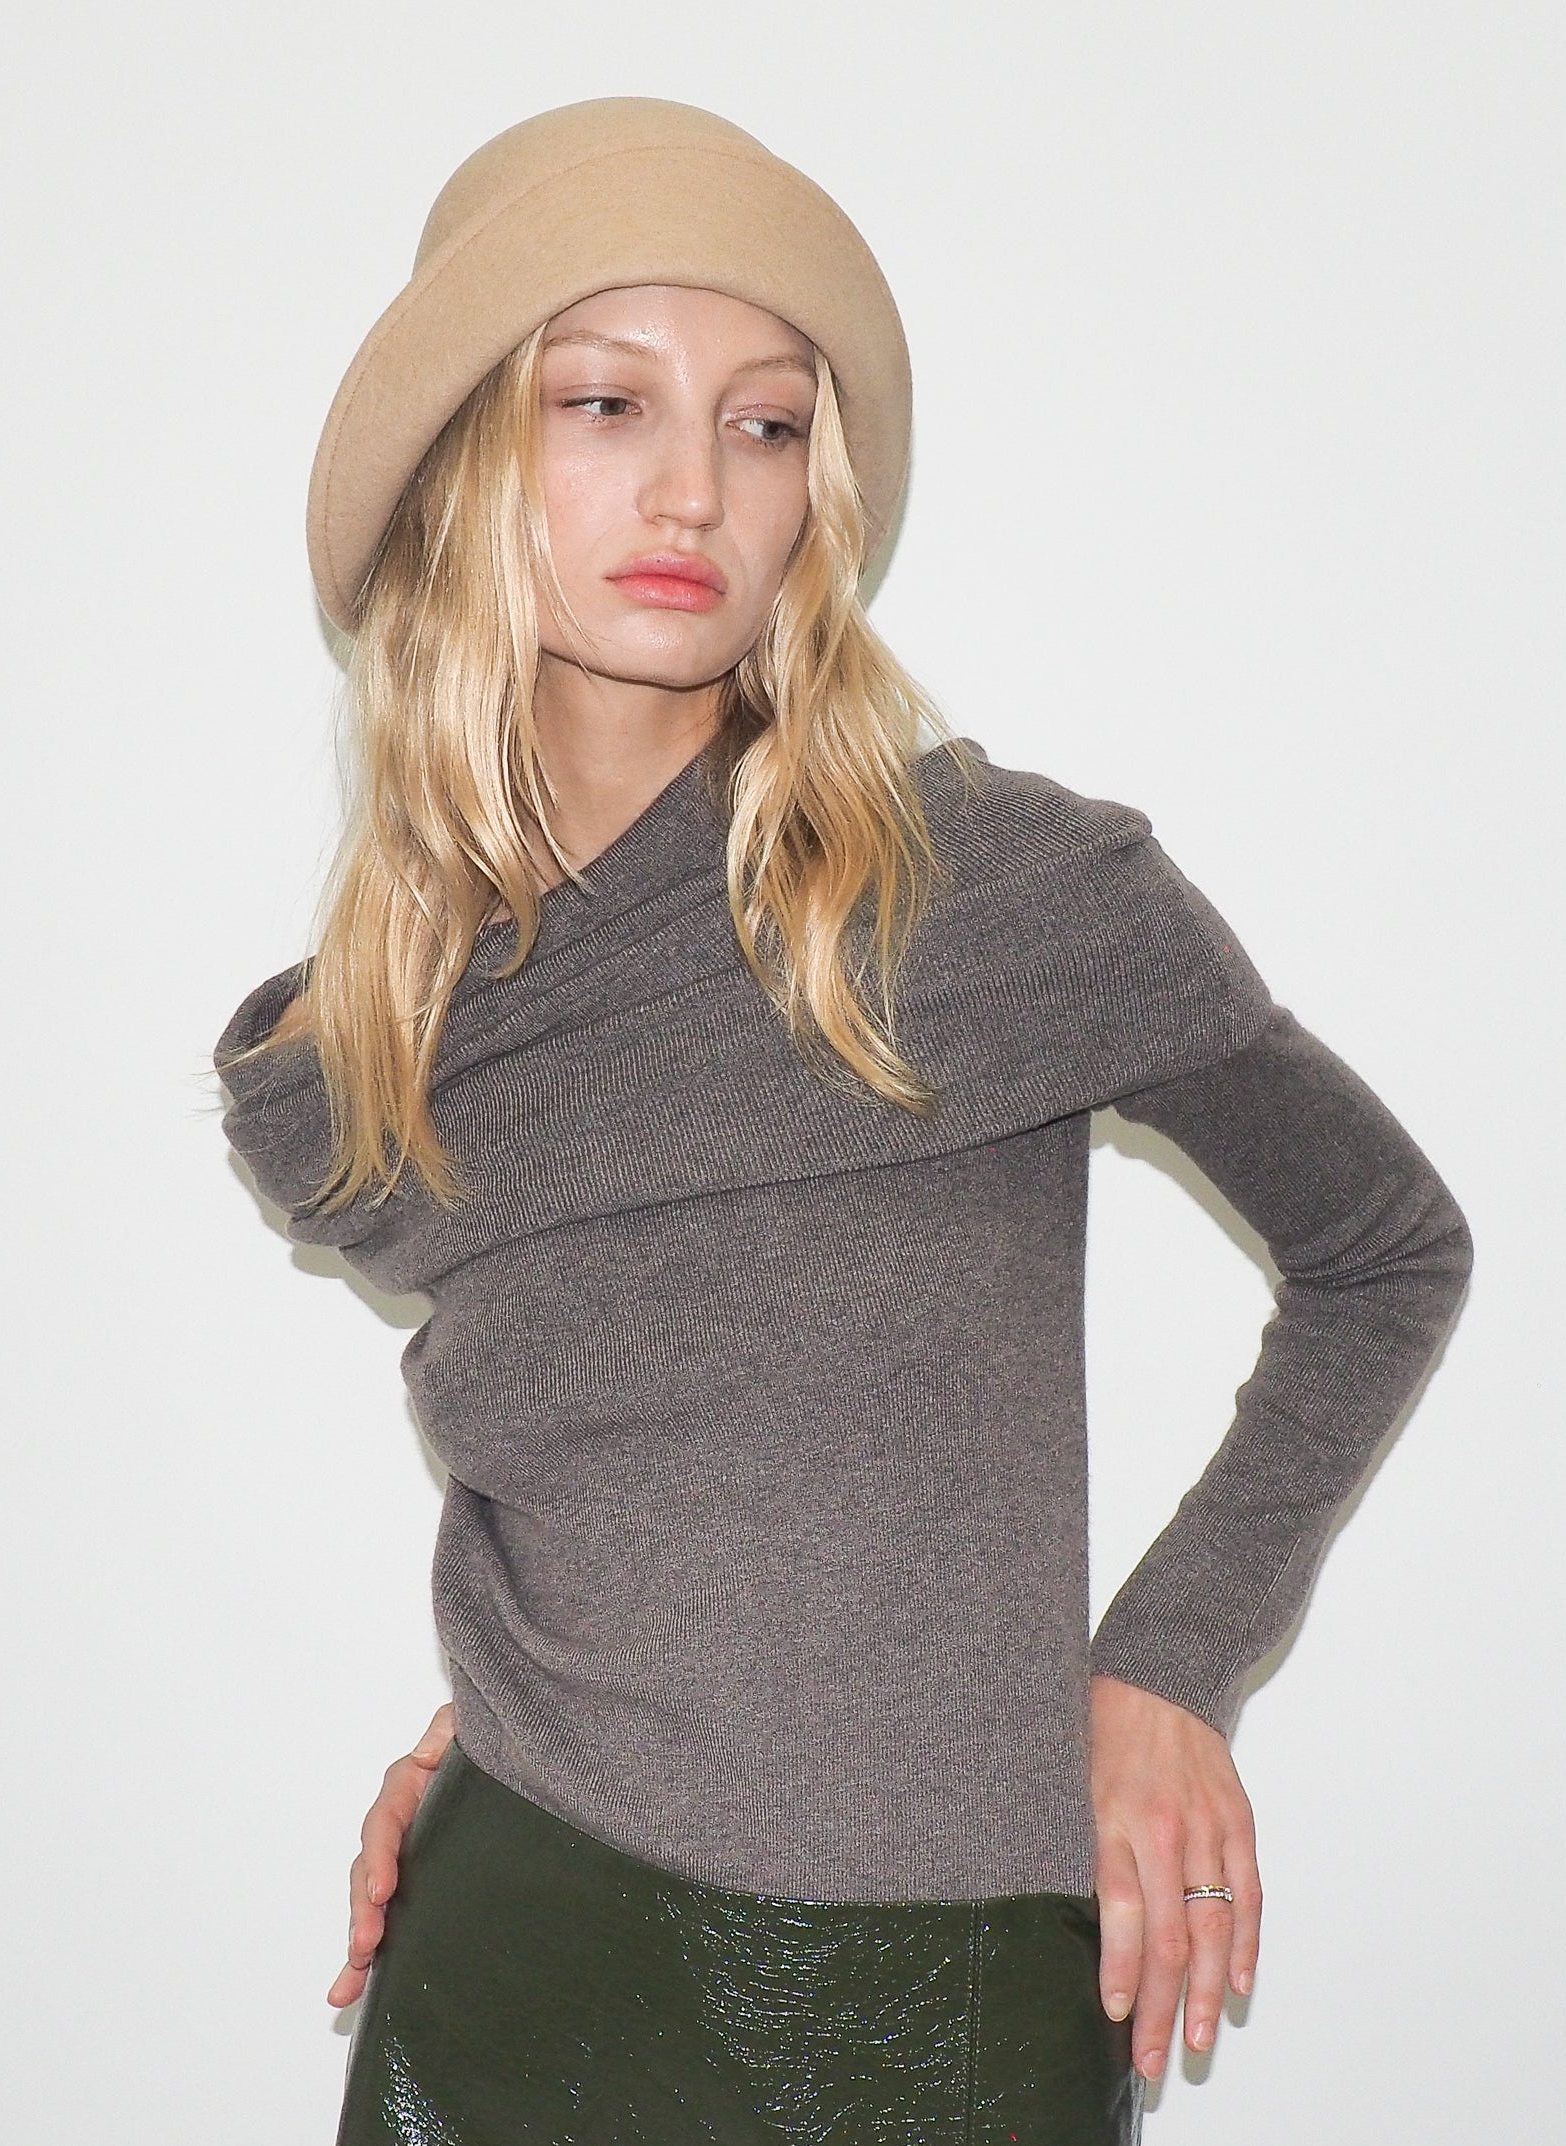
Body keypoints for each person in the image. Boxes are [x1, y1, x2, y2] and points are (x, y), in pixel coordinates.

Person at [214, 97, 1474, 2145]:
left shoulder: (1001, 895)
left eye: (768, 422)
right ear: (467, 468)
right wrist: (503, 1743)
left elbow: (1383, 1249)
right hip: (513, 1941)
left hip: (943, 1991)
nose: (694, 488)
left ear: (821, 487)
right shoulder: (391, 1038)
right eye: (604, 401)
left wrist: (1166, 1662)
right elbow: (649, 1457)